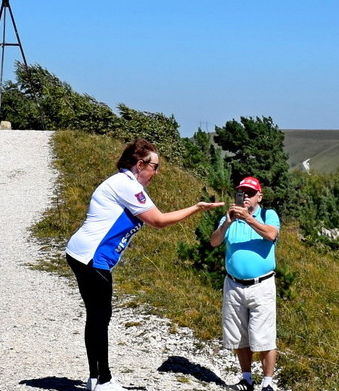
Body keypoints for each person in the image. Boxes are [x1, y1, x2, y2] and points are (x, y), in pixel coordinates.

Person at [64, 138, 225, 391]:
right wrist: (196, 208)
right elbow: (158, 221)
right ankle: (103, 381)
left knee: (96, 317)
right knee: (99, 317)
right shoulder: (127, 185)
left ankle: (95, 378)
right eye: (155, 166)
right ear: (140, 164)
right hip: (92, 257)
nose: (156, 173)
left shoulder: (124, 183)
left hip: (85, 254)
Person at [209, 177, 280, 391]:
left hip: (262, 285)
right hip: (234, 284)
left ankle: (267, 382)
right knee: (239, 334)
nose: (246, 196)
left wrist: (248, 218)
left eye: (250, 193)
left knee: (264, 336)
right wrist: (228, 221)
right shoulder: (229, 219)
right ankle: (246, 379)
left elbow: (271, 235)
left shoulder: (268, 215)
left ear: (260, 196)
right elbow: (214, 241)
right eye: (242, 192)